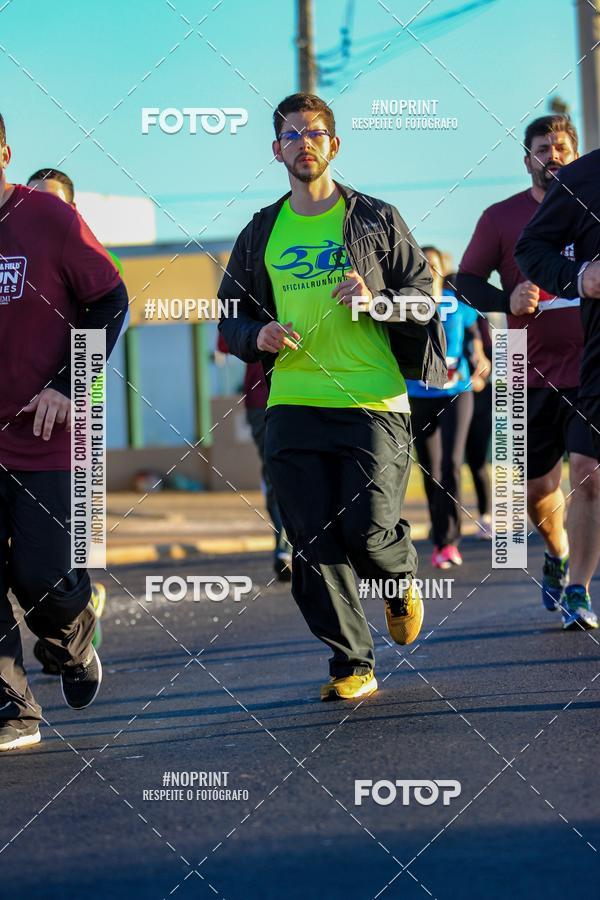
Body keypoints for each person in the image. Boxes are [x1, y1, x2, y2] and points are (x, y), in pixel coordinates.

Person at [218, 92, 447, 701]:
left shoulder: (375, 217)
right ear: (276, 150)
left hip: (371, 399)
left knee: (368, 532)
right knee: (311, 541)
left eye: (315, 133)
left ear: (334, 144)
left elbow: (425, 297)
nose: (304, 143)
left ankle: (397, 582)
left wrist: (379, 303)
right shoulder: (261, 230)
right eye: (291, 135)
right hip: (292, 399)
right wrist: (255, 333)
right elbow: (228, 314)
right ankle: (351, 662)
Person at [0, 113, 129, 751]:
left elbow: (111, 300)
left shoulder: (48, 219)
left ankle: (73, 637)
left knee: (40, 574)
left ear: (4, 149)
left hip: (45, 430)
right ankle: (13, 709)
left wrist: (67, 385)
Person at [457, 114, 600, 631]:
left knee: (588, 476)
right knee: (540, 490)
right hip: (526, 372)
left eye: (563, 147)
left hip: (590, 368)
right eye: (544, 148)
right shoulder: (502, 218)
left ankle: (580, 590)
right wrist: (506, 299)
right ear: (528, 159)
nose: (554, 155)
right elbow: (464, 280)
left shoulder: (591, 203)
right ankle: (557, 549)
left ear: (576, 153)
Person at [25, 167, 125, 671]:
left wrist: (71, 384)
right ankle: (67, 615)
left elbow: (110, 307)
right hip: (23, 413)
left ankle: (78, 602)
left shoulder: (81, 248)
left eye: (57, 202)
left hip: (76, 406)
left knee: (76, 532)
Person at [408, 247, 488, 568]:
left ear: (442, 269)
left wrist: (480, 360)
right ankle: (439, 533)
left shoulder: (459, 305)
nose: (427, 268)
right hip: (419, 394)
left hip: (457, 392)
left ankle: (450, 541)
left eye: (432, 263)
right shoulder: (406, 307)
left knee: (453, 463)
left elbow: (473, 340)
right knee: (430, 468)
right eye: (421, 264)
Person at [216, 334, 292, 580]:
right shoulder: (246, 296)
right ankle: (286, 549)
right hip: (264, 400)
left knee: (299, 472)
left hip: (305, 396)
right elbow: (225, 342)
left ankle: (297, 546)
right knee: (276, 474)